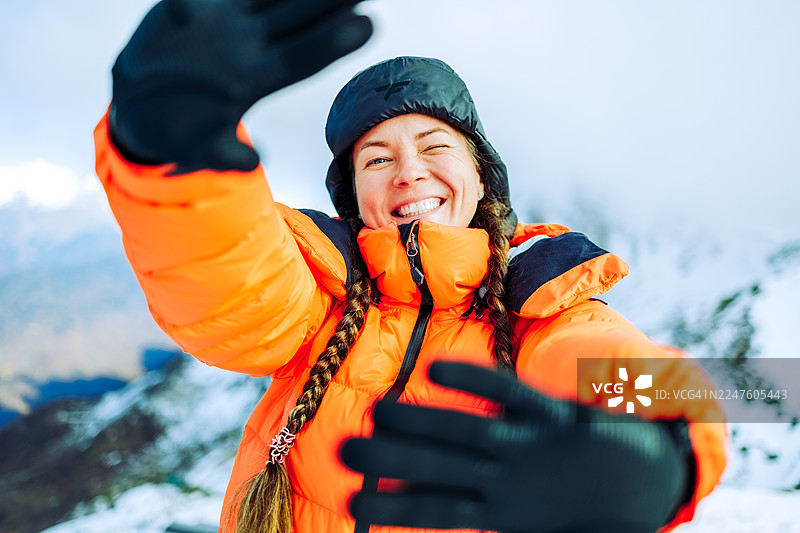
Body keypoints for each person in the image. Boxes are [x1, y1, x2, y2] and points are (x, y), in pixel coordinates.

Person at [95, 1, 727, 532]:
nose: (409, 172)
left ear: (480, 177)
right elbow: (224, 280)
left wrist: (663, 450)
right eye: (376, 159)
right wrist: (169, 155)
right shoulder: (318, 296)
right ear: (354, 198)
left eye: (434, 146)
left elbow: (634, 374)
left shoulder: (545, 305)